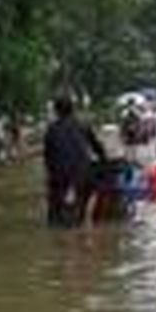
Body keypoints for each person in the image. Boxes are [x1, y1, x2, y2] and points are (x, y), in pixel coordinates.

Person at [43, 97, 107, 226]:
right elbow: (97, 147)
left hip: (59, 175)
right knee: (97, 189)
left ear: (56, 111)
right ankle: (86, 221)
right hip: (81, 173)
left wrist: (51, 173)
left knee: (54, 206)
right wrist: (104, 161)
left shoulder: (51, 129)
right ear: (73, 110)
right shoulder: (83, 125)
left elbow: (48, 156)